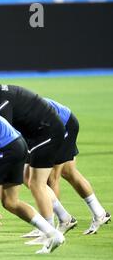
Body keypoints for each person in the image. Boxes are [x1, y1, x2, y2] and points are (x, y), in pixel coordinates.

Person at [0, 71, 67, 253]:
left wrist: (1, 177)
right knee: (13, 197)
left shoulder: (2, 104)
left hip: (46, 132)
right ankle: (60, 222)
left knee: (36, 183)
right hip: (36, 135)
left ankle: (48, 232)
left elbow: (7, 140)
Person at [45, 98, 110, 234]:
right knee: (68, 172)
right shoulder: (13, 106)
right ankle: (100, 214)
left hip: (62, 126)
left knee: (52, 177)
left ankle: (53, 226)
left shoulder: (12, 113)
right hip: (63, 122)